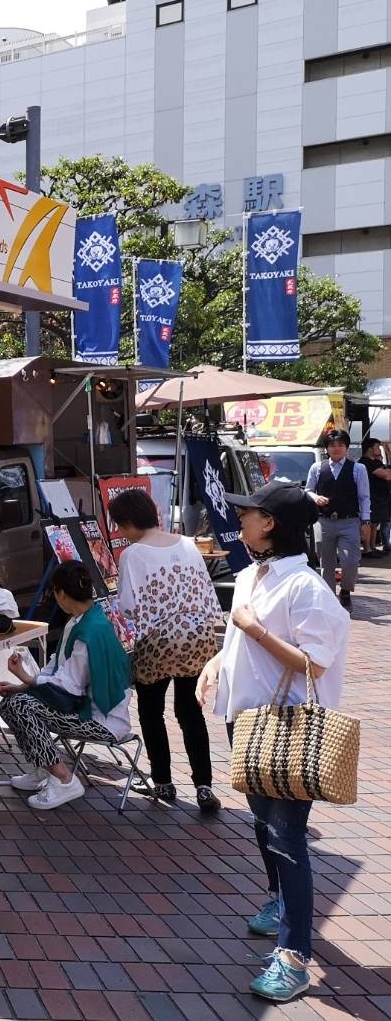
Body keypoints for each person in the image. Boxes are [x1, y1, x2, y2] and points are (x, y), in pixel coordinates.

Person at [197, 479, 348, 1002]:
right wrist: (217, 662)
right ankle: (279, 901)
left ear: (271, 524)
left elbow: (315, 663)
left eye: (249, 514)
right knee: (263, 825)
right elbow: (240, 637)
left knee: (287, 838)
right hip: (248, 721)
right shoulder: (250, 575)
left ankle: (294, 956)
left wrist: (253, 630)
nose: (240, 520)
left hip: (288, 729)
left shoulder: (306, 588)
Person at [107, 488, 221, 813]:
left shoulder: (133, 554)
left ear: (128, 522)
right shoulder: (186, 543)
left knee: (151, 711)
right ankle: (204, 786)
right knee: (190, 712)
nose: (121, 532)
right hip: (197, 637)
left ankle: (163, 781)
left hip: (156, 640)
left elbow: (129, 606)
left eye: (120, 525)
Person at [0, 561, 132, 810]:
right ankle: (43, 769)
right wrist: (24, 685)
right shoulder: (85, 619)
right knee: (12, 703)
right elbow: (57, 667)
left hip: (101, 720)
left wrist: (27, 679)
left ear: (61, 593)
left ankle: (64, 779)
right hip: (87, 708)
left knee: (18, 707)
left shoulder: (89, 630)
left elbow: (68, 687)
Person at [305, 429, 370, 610]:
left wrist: (365, 521)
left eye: (340, 445)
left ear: (346, 447)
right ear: (326, 448)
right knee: (326, 563)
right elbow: (307, 490)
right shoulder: (317, 468)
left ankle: (346, 591)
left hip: (349, 521)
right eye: (332, 445)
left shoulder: (358, 469)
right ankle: (328, 597)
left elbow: (364, 497)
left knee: (350, 561)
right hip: (323, 521)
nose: (336, 448)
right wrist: (315, 497)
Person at [360, 438, 391, 557]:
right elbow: (386, 475)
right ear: (369, 449)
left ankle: (372, 547)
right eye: (377, 447)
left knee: (375, 523)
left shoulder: (376, 462)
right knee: (370, 523)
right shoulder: (365, 462)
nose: (379, 449)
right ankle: (367, 549)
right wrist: (387, 471)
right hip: (370, 497)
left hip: (380, 497)